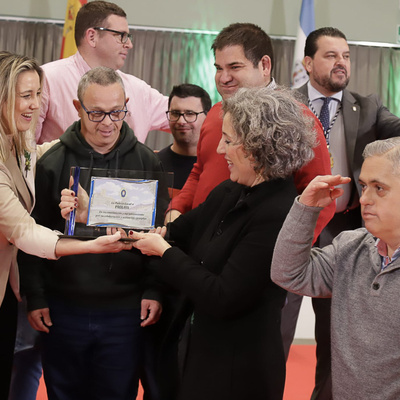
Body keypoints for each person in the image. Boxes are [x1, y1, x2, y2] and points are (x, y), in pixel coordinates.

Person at [129, 86, 317, 400]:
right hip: (202, 357)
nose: (219, 149)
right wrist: (100, 214)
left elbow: (222, 296)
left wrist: (164, 252)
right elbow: (175, 232)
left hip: (239, 372)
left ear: (258, 147)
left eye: (228, 140)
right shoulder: (231, 190)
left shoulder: (279, 213)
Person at [20, 66, 164, 400]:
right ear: (77, 107)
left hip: (125, 309)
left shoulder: (146, 162)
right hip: (63, 307)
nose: (107, 122)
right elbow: (31, 233)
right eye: (96, 113)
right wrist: (36, 296)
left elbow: (160, 235)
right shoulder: (52, 162)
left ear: (126, 106)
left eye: (116, 112)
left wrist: (155, 290)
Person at [0, 52, 130, 400]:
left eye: (37, 94)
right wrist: (88, 245)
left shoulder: (17, 138)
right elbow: (24, 231)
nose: (35, 105)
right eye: (25, 96)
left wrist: (89, 128)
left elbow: (35, 155)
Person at [281, 27, 400, 400]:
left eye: (346, 56)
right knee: (280, 322)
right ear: (307, 62)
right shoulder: (286, 104)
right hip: (296, 225)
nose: (341, 63)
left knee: (333, 334)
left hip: (346, 228)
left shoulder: (368, 106)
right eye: (331, 55)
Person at [164, 22, 335, 246]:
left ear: (264, 65)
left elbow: (320, 199)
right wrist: (176, 209)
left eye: (234, 67)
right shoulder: (215, 113)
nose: (223, 78)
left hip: (251, 254)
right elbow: (199, 172)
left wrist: (285, 252)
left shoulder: (297, 119)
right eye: (219, 68)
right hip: (197, 245)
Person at [271, 137, 400, 400]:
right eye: (363, 186)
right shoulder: (350, 247)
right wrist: (306, 208)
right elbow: (288, 273)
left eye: (379, 188)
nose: (364, 199)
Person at [36, 0, 169, 144]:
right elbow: (26, 147)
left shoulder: (139, 90)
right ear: (92, 37)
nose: (129, 44)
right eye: (121, 36)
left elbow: (184, 115)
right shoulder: (47, 79)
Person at [157, 83, 211, 198]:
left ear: (208, 116)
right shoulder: (154, 164)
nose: (181, 121)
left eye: (190, 114)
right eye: (175, 113)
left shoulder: (217, 167)